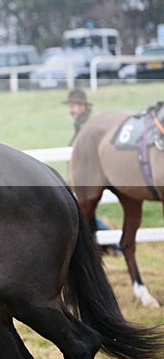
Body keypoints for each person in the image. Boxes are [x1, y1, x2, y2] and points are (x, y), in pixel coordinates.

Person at [62, 89, 121, 255]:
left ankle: (117, 246)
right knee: (87, 214)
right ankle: (109, 247)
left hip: (91, 175)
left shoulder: (86, 125)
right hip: (89, 174)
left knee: (86, 212)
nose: (72, 109)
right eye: (70, 105)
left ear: (83, 106)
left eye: (75, 105)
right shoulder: (81, 123)